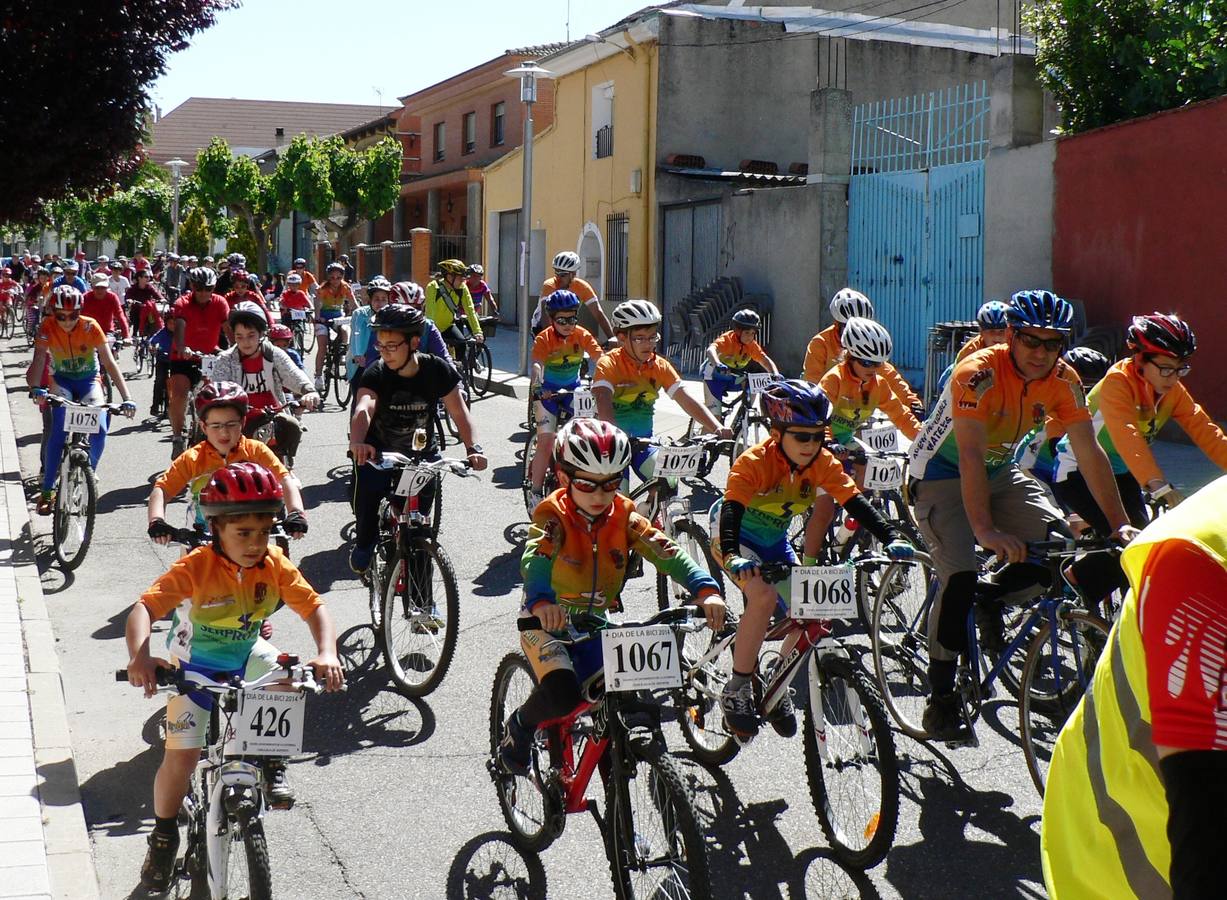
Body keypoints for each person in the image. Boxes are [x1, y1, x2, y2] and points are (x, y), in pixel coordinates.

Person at [908, 289, 1138, 740]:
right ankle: (941, 696)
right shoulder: (976, 374)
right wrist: (985, 530)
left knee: (1058, 546)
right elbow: (969, 455)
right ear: (1011, 336)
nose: (1041, 353)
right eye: (1031, 341)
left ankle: (991, 597)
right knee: (959, 575)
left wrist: (1118, 524)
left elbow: (1088, 451)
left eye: (1052, 344)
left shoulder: (1064, 379)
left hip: (998, 470)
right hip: (939, 474)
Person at [126, 461, 343, 893]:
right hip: (196, 666)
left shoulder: (273, 562)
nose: (255, 543)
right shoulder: (195, 566)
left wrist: (327, 651)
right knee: (181, 758)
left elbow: (314, 607)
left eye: (263, 532)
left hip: (245, 654)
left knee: (288, 672)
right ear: (217, 528)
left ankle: (270, 757)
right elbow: (144, 610)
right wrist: (141, 657)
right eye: (243, 533)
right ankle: (164, 834)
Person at [497, 418, 726, 775]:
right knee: (562, 694)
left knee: (628, 699)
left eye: (612, 483)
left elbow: (665, 550)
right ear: (563, 478)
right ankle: (520, 726)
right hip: (544, 622)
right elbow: (536, 558)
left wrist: (704, 587)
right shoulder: (552, 515)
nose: (601, 495)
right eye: (587, 484)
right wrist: (542, 601)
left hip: (593, 621)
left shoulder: (624, 514)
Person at [1042, 474, 1227, 900]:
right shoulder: (1201, 557)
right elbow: (1207, 828)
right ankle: (946, 686)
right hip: (1123, 857)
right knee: (967, 566)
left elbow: (1195, 425)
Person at [713, 380, 914, 737]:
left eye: (818, 436)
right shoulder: (755, 462)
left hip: (774, 543)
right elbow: (730, 511)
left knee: (812, 610)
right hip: (735, 538)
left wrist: (891, 535)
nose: (811, 445)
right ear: (777, 434)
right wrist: (731, 556)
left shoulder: (821, 462)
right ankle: (738, 688)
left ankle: (777, 680)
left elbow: (855, 502)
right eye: (801, 437)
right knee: (762, 597)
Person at [1052, 313, 1227, 609]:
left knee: (1143, 547)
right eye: (1166, 369)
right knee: (1129, 546)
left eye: (1180, 369)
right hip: (1078, 471)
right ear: (1139, 360)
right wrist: (1158, 486)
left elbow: (1205, 430)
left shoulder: (1171, 390)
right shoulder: (1116, 383)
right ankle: (1074, 582)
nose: (1173, 378)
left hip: (1122, 473)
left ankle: (1094, 611)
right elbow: (1126, 436)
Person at [347, 305, 488, 574]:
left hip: (421, 454)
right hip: (378, 451)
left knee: (419, 531)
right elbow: (364, 407)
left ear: (413, 342)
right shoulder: (376, 372)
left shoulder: (436, 370)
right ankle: (365, 542)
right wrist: (358, 442)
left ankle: (424, 605)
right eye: (380, 345)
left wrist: (474, 448)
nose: (383, 352)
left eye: (391, 345)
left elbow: (459, 412)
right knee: (367, 500)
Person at [810, 317, 921, 559]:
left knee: (868, 464)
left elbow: (900, 415)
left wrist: (923, 441)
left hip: (846, 439)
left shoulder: (878, 384)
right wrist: (828, 442)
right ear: (850, 356)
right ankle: (808, 561)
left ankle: (852, 522)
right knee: (825, 508)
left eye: (878, 363)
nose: (873, 368)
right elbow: (819, 415)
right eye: (867, 362)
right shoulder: (834, 378)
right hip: (820, 439)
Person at [593, 299, 731, 481]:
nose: (648, 344)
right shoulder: (609, 363)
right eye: (640, 338)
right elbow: (603, 398)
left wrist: (717, 427)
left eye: (652, 337)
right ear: (622, 338)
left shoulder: (659, 365)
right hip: (612, 445)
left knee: (669, 481)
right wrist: (611, 435)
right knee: (619, 498)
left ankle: (652, 508)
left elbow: (685, 398)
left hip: (645, 443)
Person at [26, 286, 136, 513]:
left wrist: (127, 397)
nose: (67, 321)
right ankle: (47, 491)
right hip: (61, 381)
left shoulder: (90, 326)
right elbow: (38, 359)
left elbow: (108, 362)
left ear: (80, 312)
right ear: (53, 313)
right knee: (58, 431)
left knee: (101, 426)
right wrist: (36, 387)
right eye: (61, 316)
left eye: (73, 315)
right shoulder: (46, 326)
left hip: (88, 381)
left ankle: (89, 471)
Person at [147, 383, 307, 539]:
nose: (224, 432)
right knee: (186, 565)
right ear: (203, 427)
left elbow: (285, 479)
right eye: (215, 425)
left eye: (231, 424)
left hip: (253, 533)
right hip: (203, 533)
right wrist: (156, 520)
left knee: (278, 563)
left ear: (243, 423)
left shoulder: (256, 450)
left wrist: (296, 512)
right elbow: (162, 489)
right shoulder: (193, 458)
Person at [209, 302, 320, 465]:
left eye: (251, 335)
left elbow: (293, 374)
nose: (245, 342)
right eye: (239, 336)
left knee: (292, 426)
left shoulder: (274, 354)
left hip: (272, 417)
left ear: (262, 334)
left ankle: (287, 469)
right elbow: (216, 390)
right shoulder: (225, 360)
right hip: (237, 421)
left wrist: (309, 391)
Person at [526, 290, 605, 506]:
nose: (568, 324)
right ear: (552, 320)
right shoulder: (544, 338)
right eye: (562, 320)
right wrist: (538, 384)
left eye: (572, 318)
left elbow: (600, 358)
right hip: (548, 392)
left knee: (586, 435)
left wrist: (608, 379)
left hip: (573, 390)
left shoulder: (582, 335)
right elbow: (537, 364)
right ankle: (535, 491)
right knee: (546, 441)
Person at [803, 287, 923, 418]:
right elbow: (812, 383)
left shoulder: (868, 347)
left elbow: (888, 374)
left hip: (859, 409)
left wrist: (911, 403)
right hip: (830, 409)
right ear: (837, 324)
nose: (854, 333)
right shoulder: (820, 343)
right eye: (847, 327)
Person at [168, 267, 232, 459]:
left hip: (210, 356)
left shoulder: (221, 303)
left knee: (216, 396)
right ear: (192, 286)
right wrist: (182, 346)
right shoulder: (182, 303)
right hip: (183, 357)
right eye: (199, 288)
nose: (204, 293)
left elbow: (227, 329)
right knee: (179, 395)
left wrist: (236, 349)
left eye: (208, 288)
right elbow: (180, 326)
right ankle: (178, 437)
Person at [700, 307, 779, 414]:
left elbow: (764, 360)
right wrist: (717, 364)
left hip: (733, 377)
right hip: (713, 377)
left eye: (752, 333)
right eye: (747, 333)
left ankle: (745, 413)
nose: (750, 337)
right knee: (715, 419)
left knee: (751, 383)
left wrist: (775, 373)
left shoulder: (751, 345)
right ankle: (709, 426)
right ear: (737, 331)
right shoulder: (727, 340)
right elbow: (711, 350)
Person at [530, 250, 614, 339]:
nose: (558, 278)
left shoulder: (582, 287)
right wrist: (552, 341)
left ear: (573, 274)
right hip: (541, 327)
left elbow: (598, 314)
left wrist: (613, 339)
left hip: (566, 325)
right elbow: (545, 317)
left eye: (562, 275)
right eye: (556, 273)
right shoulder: (549, 285)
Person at [346, 276, 393, 410]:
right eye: (376, 299)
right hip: (361, 362)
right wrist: (358, 355)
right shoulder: (360, 314)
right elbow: (357, 334)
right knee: (359, 399)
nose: (380, 303)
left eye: (384, 299)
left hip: (386, 361)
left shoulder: (392, 314)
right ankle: (355, 427)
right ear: (370, 300)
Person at [424, 258, 483, 355]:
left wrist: (477, 332)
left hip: (448, 326)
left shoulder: (462, 288)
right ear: (450, 277)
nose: (463, 281)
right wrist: (432, 334)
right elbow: (430, 314)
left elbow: (470, 310)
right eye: (460, 278)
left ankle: (458, 368)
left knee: (462, 344)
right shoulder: (434, 287)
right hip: (434, 328)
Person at [312, 261, 355, 391]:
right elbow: (318, 304)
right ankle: (318, 377)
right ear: (328, 278)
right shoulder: (322, 289)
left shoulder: (346, 287)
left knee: (344, 329)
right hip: (323, 318)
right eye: (332, 278)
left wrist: (360, 315)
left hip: (338, 316)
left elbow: (353, 303)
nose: (335, 280)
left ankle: (342, 351)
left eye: (339, 277)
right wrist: (318, 317)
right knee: (322, 346)